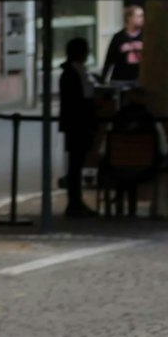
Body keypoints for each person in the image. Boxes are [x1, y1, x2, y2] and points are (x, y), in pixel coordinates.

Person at [58, 37, 99, 218]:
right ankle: (74, 201)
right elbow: (80, 98)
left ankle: (76, 200)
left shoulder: (78, 72)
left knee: (77, 163)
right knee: (75, 163)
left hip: (78, 122)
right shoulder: (71, 74)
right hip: (77, 123)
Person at [102, 4, 147, 85]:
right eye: (139, 16)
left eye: (142, 16)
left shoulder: (146, 37)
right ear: (129, 18)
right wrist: (103, 79)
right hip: (120, 79)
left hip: (139, 79)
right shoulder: (118, 37)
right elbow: (109, 59)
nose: (142, 19)